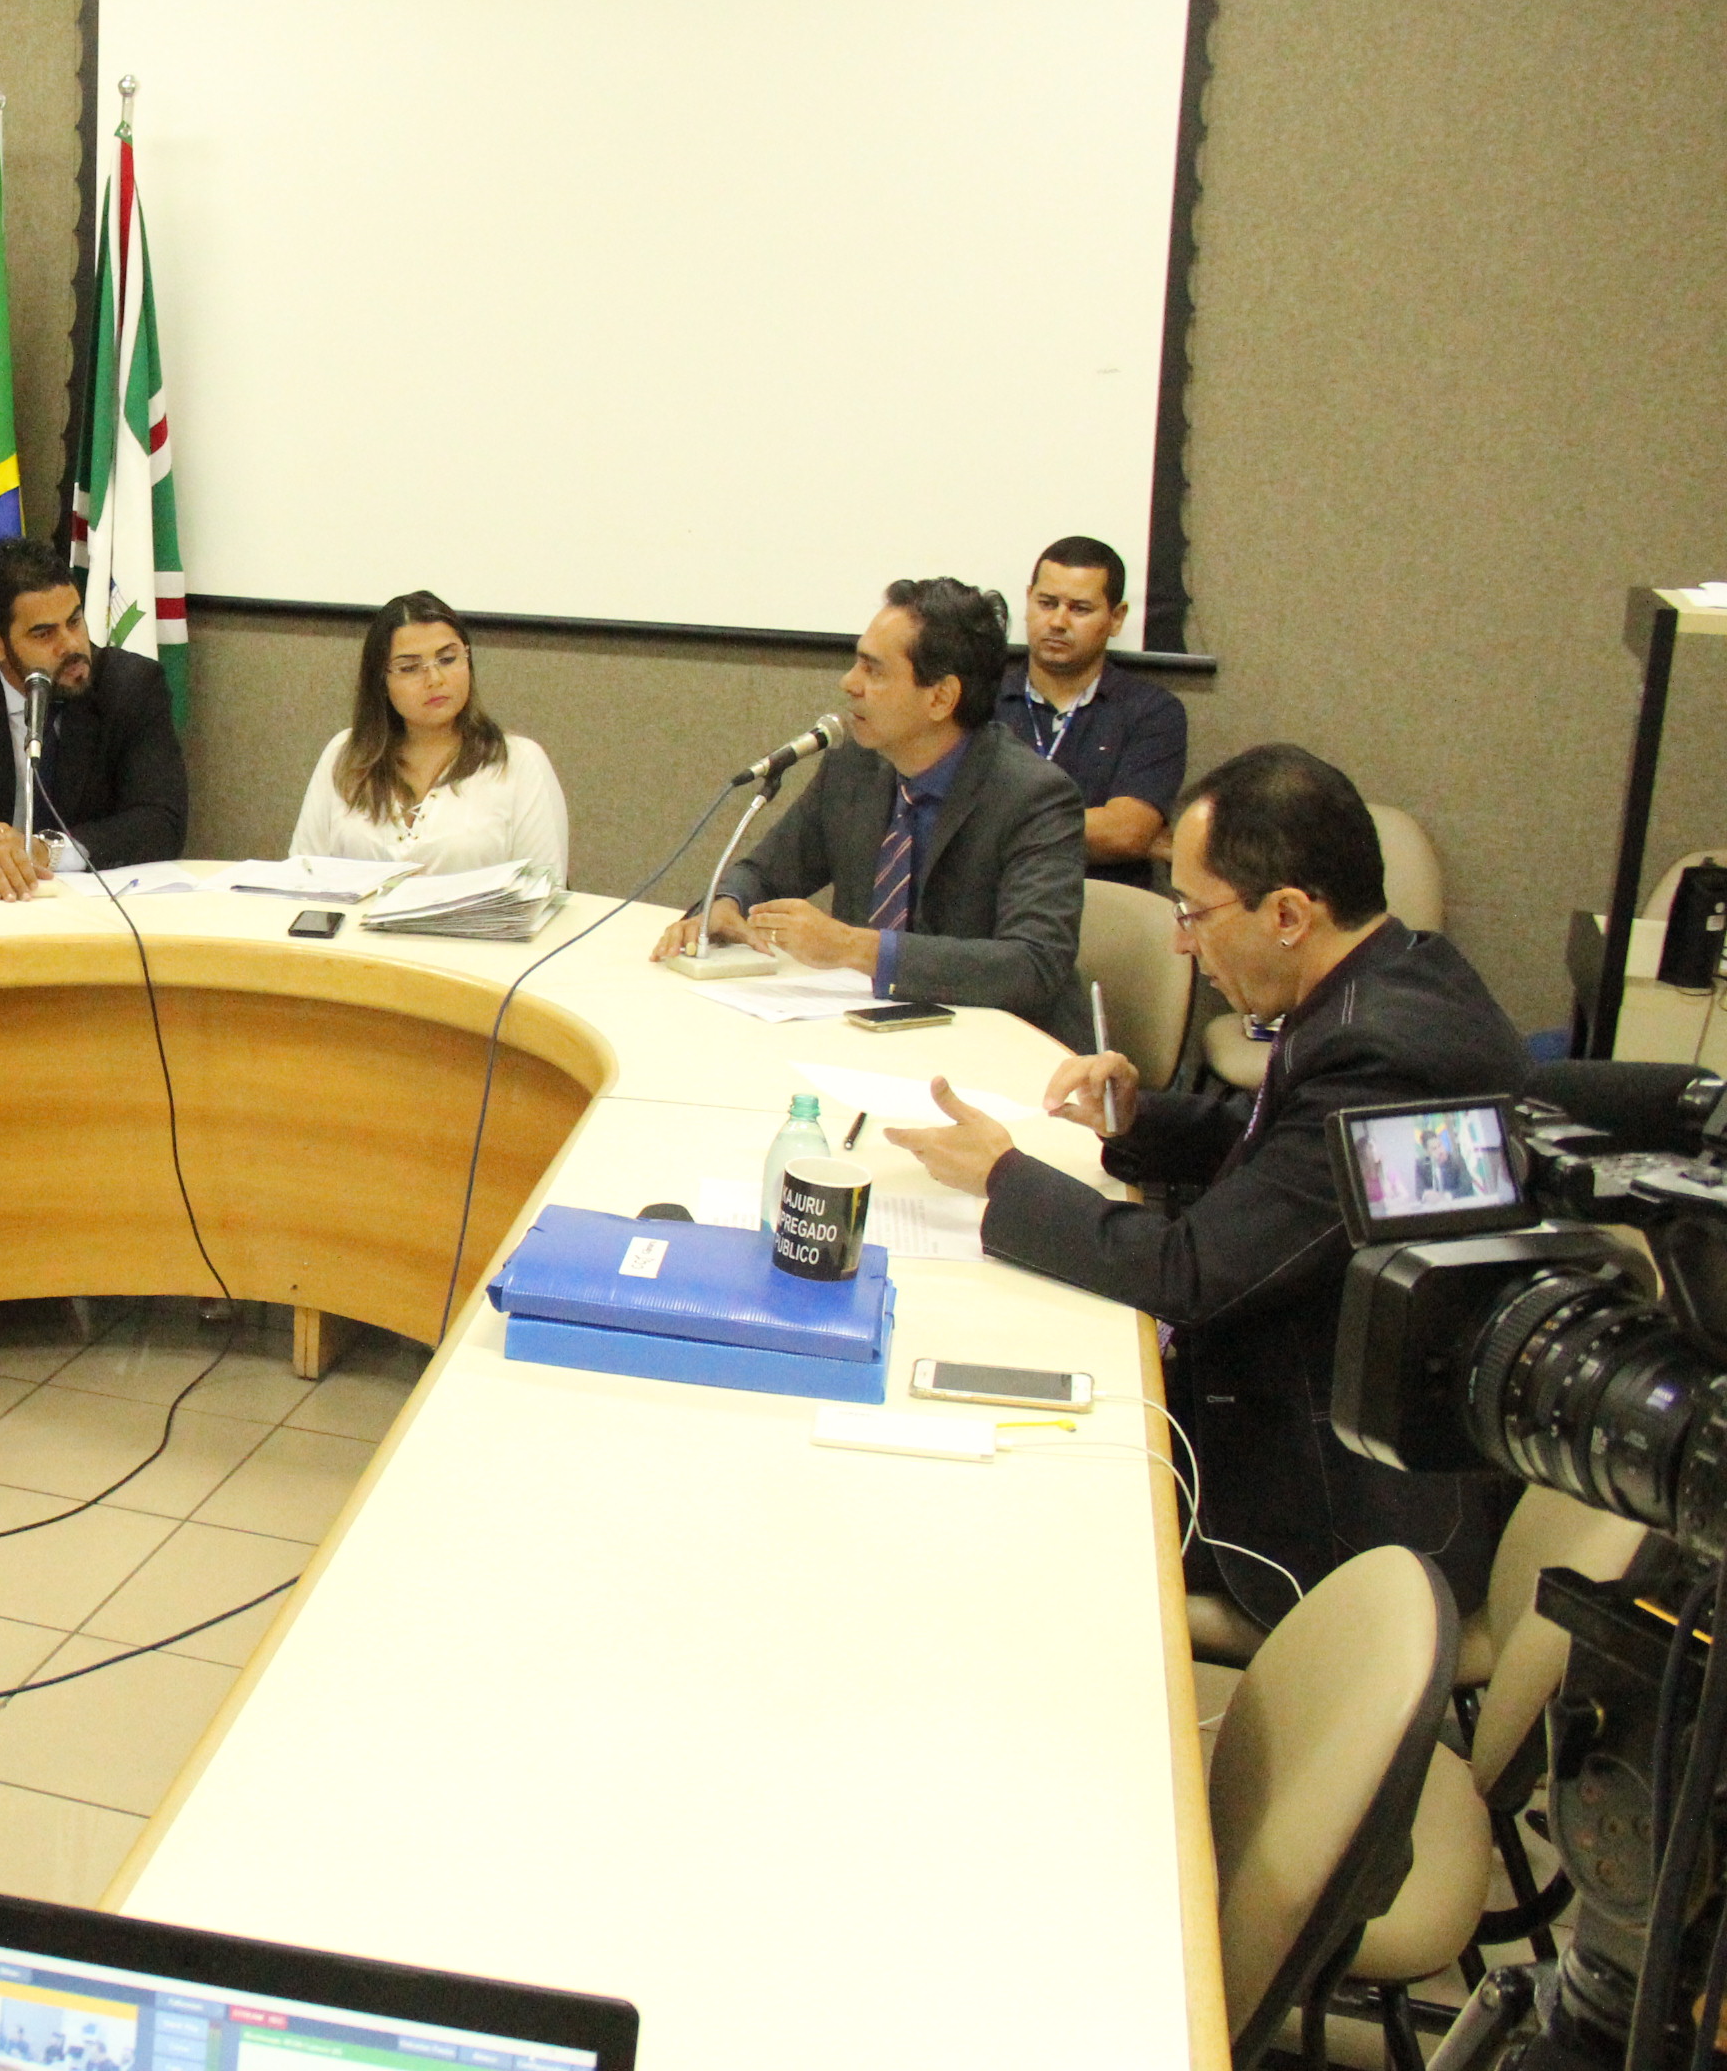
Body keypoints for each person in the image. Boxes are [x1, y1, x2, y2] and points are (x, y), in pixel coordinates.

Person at [881, 743, 1526, 1624]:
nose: (1183, 939)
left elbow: (1193, 1272)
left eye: (1194, 912)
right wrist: (1136, 1120)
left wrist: (1005, 1178)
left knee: (976, 1511)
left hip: (1324, 1514)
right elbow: (1300, 1167)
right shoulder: (1403, 978)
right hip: (1308, 1405)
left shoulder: (1386, 1061)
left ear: (1289, 913)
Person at [650, 577, 1089, 1047]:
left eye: (873, 670)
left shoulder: (1034, 796)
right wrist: (727, 902)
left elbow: (1033, 965)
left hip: (997, 1049)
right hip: (868, 1037)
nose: (849, 683)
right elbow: (765, 871)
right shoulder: (855, 765)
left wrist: (855, 948)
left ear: (941, 698)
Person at [0, 534, 188, 899]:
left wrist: (44, 849)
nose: (71, 645)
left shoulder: (131, 685)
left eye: (74, 621)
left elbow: (161, 821)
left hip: (89, 904)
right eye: (44, 634)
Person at [287, 590, 567, 879]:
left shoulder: (518, 762)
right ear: (381, 681)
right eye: (410, 668)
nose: (434, 679)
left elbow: (545, 888)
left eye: (447, 659)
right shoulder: (345, 754)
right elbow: (301, 879)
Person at [1008, 536, 1187, 889]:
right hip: (995, 905)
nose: (1058, 621)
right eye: (1047, 603)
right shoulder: (980, 701)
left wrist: (995, 825)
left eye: (1079, 609)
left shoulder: (1152, 712)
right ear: (1028, 601)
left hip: (1101, 906)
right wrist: (1088, 828)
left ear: (1116, 618)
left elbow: (1125, 834)